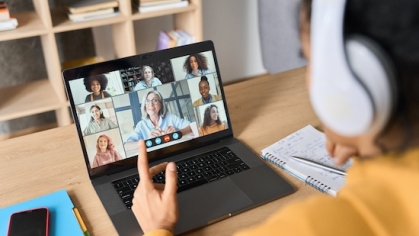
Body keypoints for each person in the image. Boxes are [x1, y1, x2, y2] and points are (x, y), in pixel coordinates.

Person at [131, 0, 419, 235]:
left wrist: (158, 227)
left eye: (311, 61)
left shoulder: (311, 228)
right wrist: (364, 145)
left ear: (347, 86)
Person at [125, 90, 192, 143]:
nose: (150, 104)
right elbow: (126, 145)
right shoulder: (141, 125)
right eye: (147, 101)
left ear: (161, 104)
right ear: (144, 106)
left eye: (155, 100)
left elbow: (192, 126)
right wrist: (147, 141)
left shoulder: (170, 117)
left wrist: (177, 133)